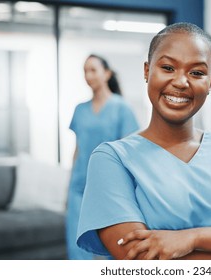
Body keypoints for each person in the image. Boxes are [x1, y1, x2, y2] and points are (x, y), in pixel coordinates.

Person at [76, 22, 211, 260]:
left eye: (197, 72)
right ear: (146, 71)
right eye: (168, 67)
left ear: (210, 84)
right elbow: (140, 260)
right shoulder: (113, 159)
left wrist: (190, 239)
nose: (181, 82)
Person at [66, 54, 140, 260]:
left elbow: (129, 152)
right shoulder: (80, 109)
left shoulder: (121, 107)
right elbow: (77, 149)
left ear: (106, 74)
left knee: (111, 249)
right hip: (79, 187)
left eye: (93, 70)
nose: (88, 75)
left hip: (109, 188)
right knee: (77, 248)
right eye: (85, 71)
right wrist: (68, 187)